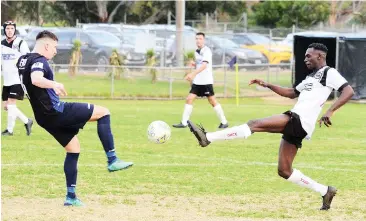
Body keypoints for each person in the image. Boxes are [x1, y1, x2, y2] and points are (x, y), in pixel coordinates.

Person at [187, 43, 354, 210]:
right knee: (284, 171)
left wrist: (330, 111)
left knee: (254, 124)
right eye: (305, 56)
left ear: (320, 56)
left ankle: (208, 138)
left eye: (308, 56)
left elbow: (348, 91)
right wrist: (267, 84)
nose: (305, 59)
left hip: (300, 120)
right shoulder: (311, 77)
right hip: (298, 122)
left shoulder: (329, 72)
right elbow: (290, 93)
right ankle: (325, 191)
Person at [17, 30, 133, 206]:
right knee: (104, 112)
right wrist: (54, 84)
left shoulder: (23, 60)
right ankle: (112, 160)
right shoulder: (40, 61)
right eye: (54, 47)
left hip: (43, 117)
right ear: (46, 45)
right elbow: (36, 79)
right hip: (55, 111)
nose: (55, 51)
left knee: (73, 149)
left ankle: (71, 197)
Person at [173, 32, 228, 129]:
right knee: (189, 99)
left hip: (206, 81)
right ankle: (184, 122)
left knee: (212, 101)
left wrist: (192, 74)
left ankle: (224, 122)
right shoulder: (196, 52)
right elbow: (198, 64)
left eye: (200, 39)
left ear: (204, 40)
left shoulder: (207, 51)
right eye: (197, 38)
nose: (198, 40)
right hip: (198, 82)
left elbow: (204, 66)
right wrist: (192, 64)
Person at [1, 20, 33, 136]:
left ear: (15, 30)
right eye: (7, 29)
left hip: (17, 79)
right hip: (7, 80)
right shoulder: (2, 44)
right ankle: (27, 121)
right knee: (7, 106)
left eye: (12, 29)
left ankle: (9, 130)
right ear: (4, 30)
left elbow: (28, 58)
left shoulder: (20, 43)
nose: (10, 31)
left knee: (10, 104)